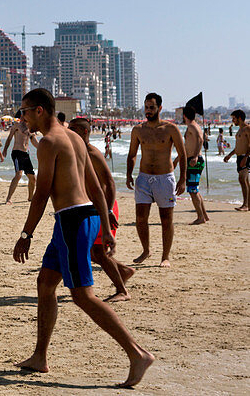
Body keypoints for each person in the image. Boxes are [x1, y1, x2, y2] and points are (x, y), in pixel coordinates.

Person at [12, 89, 153, 388]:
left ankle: (137, 353)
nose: (22, 117)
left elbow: (42, 193)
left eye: (24, 111)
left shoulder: (49, 143)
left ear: (39, 110)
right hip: (79, 218)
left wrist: (26, 234)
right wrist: (105, 222)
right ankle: (40, 357)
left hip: (72, 222)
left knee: (82, 295)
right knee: (46, 283)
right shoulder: (74, 138)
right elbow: (97, 188)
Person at [69, 117, 134, 303]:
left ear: (84, 133)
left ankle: (122, 290)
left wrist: (108, 210)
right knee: (92, 251)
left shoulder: (92, 152)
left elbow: (110, 183)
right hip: (92, 208)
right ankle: (123, 271)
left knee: (97, 252)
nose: (70, 132)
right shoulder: (77, 152)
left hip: (104, 206)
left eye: (74, 129)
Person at [125, 92, 187, 266]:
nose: (148, 111)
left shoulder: (170, 129)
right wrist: (129, 174)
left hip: (164, 179)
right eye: (146, 107)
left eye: (152, 107)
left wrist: (182, 180)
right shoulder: (138, 130)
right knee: (140, 218)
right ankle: (146, 250)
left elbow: (182, 155)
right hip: (144, 178)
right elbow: (132, 154)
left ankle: (165, 256)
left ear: (159, 108)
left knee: (166, 218)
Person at [2, 113, 38, 204]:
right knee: (18, 174)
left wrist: (42, 148)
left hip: (26, 154)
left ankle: (30, 198)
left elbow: (34, 141)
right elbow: (9, 138)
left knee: (32, 178)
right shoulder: (17, 125)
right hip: (17, 152)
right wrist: (5, 149)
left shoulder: (30, 128)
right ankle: (8, 199)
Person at [182, 104, 209, 225]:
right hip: (191, 159)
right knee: (195, 189)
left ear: (184, 116)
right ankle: (204, 215)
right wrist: (178, 159)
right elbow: (188, 145)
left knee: (192, 190)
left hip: (194, 160)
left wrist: (196, 156)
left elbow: (200, 139)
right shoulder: (192, 126)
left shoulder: (193, 126)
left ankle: (200, 217)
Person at [223, 109, 249, 211]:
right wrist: (229, 155)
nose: (233, 120)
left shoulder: (247, 129)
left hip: (245, 157)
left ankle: (245, 205)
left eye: (234, 118)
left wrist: (246, 157)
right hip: (239, 157)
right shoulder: (239, 130)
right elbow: (238, 146)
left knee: (242, 179)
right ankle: (248, 204)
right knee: (245, 180)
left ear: (239, 118)